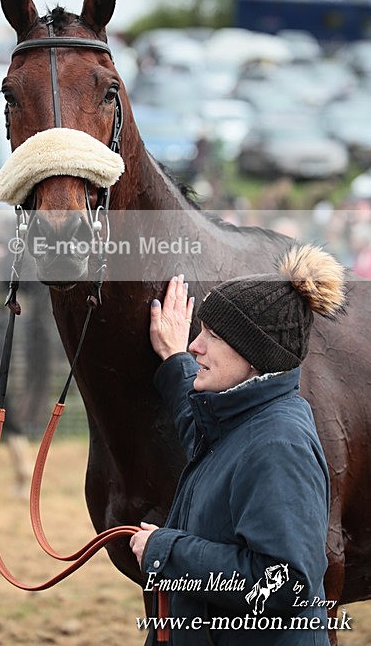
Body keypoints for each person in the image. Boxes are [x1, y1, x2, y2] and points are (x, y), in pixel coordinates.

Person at [129, 243, 346, 645]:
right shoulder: (244, 419)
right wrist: (175, 358)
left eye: (213, 336)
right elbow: (203, 430)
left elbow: (285, 584)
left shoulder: (279, 447)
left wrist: (167, 551)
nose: (196, 346)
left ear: (254, 356)